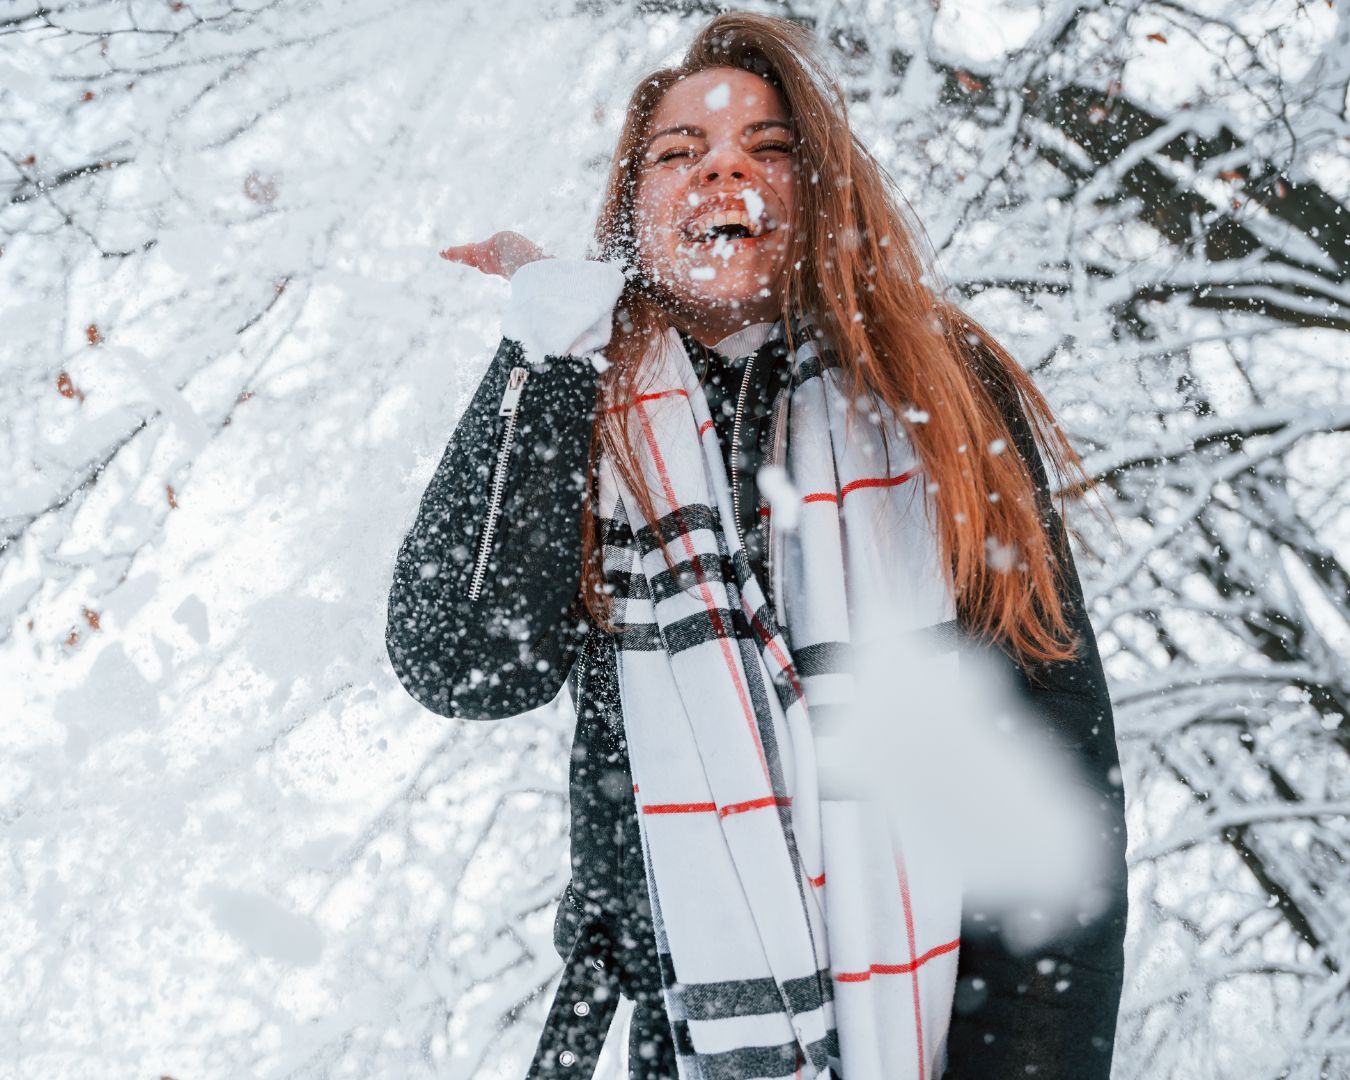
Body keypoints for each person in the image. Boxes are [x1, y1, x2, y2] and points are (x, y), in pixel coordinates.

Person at [386, 12, 1128, 1079]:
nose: (721, 170)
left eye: (767, 151)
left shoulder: (940, 393)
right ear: (632, 210)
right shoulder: (586, 404)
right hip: (690, 1034)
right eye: (678, 153)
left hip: (934, 1017)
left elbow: (1058, 778)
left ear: (818, 196)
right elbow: (461, 660)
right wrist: (543, 351)